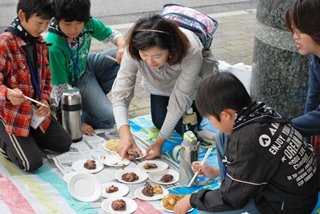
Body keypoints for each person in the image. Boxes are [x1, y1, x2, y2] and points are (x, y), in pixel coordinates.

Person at [174, 72, 319, 214]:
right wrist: (216, 172)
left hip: (286, 206)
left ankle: (231, 184)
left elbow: (231, 199)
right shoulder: (261, 111)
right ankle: (230, 180)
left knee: (206, 211)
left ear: (226, 115)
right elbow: (260, 162)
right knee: (222, 137)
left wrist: (192, 200)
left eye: (210, 119)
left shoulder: (246, 142)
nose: (211, 123)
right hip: (298, 191)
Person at [112, 14, 218, 160]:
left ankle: (205, 92)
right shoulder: (134, 48)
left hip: (191, 80)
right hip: (160, 81)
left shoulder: (190, 52)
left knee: (186, 130)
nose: (150, 62)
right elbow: (120, 93)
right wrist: (125, 136)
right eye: (144, 55)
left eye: (157, 55)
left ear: (170, 49)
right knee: (160, 122)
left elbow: (180, 99)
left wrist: (160, 142)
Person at [0, 0, 72, 172]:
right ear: (22, 15)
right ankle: (4, 140)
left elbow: (47, 79)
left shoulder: (40, 43)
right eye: (39, 23)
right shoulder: (5, 44)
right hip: (9, 113)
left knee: (64, 144)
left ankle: (27, 138)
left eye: (47, 24)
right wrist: (8, 94)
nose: (42, 28)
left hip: (33, 112)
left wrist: (46, 101)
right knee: (31, 163)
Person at [46, 0, 126, 136]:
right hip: (69, 85)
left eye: (79, 23)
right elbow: (60, 90)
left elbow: (114, 35)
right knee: (110, 118)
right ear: (57, 19)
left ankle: (89, 101)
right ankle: (83, 113)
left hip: (86, 66)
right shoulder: (54, 45)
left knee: (123, 58)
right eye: (67, 24)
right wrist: (76, 121)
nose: (74, 29)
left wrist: (122, 47)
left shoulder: (88, 22)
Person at [285, 0, 320, 187]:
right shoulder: (315, 58)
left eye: (298, 31)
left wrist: (286, 126)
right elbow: (312, 99)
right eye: (293, 31)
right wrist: (305, 146)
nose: (294, 37)